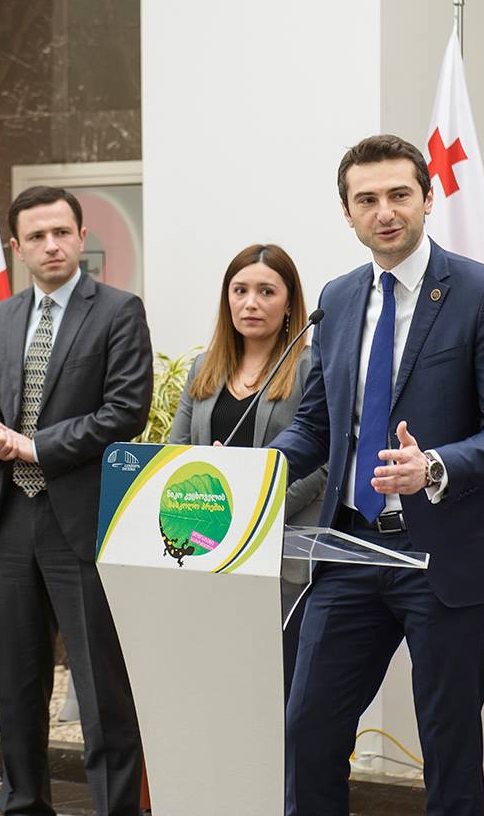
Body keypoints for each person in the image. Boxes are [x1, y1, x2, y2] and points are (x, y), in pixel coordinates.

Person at [267, 134, 484, 816]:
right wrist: (254, 472)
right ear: (347, 212)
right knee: (308, 726)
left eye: (398, 194)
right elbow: (316, 426)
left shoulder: (483, 293)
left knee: (448, 744)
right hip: (350, 549)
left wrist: (433, 465)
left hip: (446, 553)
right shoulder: (336, 298)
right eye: (367, 199)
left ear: (427, 198)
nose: (384, 211)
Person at [0, 185, 152, 816]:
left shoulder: (119, 311)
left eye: (61, 233)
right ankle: (23, 805)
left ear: (81, 238)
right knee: (16, 688)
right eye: (37, 237)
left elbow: (125, 411)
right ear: (17, 248)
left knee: (102, 692)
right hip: (10, 523)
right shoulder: (0, 318)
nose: (51, 245)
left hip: (82, 521)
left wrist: (34, 446)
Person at [166, 242, 327, 702]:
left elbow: (323, 461)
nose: (251, 302)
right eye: (240, 290)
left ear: (290, 303)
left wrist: (255, 514)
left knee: (276, 692)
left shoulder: (310, 366)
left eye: (266, 291)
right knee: (219, 689)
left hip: (283, 554)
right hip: (208, 548)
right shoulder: (205, 367)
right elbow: (177, 455)